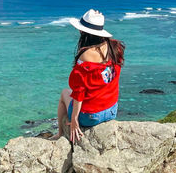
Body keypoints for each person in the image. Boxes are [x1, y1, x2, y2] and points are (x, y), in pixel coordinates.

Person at [51, 9, 125, 143]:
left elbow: (79, 92)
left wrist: (74, 120)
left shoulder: (85, 55)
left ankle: (60, 134)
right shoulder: (115, 47)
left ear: (82, 31)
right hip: (111, 110)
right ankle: (61, 132)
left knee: (64, 93)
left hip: (90, 117)